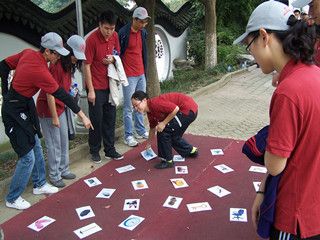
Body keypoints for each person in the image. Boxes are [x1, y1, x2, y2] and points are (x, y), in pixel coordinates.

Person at [234, 1, 320, 239]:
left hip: (294, 217)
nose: (251, 54)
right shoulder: (314, 73)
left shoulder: (288, 92)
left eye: (250, 45)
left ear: (264, 37)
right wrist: (262, 190)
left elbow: (275, 165)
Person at [0, 32, 93, 210]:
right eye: (56, 53)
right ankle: (12, 197)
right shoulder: (41, 70)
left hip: (25, 106)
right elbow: (60, 94)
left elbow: (3, 65)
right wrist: (82, 115)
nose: (59, 57)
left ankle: (39, 183)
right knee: (27, 157)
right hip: (13, 111)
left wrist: (6, 90)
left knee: (35, 144)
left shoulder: (28, 53)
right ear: (48, 51)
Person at [36, 35, 86, 188]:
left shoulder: (68, 66)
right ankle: (54, 175)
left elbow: (64, 90)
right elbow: (50, 93)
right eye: (74, 56)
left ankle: (63, 169)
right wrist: (54, 117)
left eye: (78, 57)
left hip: (60, 107)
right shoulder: (56, 67)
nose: (76, 60)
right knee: (54, 143)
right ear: (67, 52)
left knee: (64, 139)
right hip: (48, 109)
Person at [84, 10, 123, 163]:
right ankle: (94, 150)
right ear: (100, 25)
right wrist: (91, 90)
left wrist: (113, 59)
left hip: (110, 84)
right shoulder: (91, 40)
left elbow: (118, 54)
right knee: (96, 119)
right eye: (106, 28)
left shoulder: (115, 36)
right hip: (96, 86)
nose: (109, 32)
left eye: (112, 28)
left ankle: (110, 149)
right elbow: (86, 65)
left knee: (110, 118)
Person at [131, 91, 198, 169]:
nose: (136, 108)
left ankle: (167, 160)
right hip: (189, 110)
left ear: (144, 100)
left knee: (163, 131)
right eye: (134, 107)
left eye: (136, 105)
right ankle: (191, 151)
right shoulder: (150, 112)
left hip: (187, 110)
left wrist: (163, 123)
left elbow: (175, 109)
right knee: (172, 135)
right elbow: (152, 128)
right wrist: (148, 144)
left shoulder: (154, 103)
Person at [119, 7, 150, 147]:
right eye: (141, 22)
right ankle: (128, 135)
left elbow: (143, 52)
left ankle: (140, 130)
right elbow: (118, 54)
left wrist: (145, 71)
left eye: (145, 22)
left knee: (141, 104)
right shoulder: (123, 33)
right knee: (129, 107)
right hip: (128, 76)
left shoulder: (143, 32)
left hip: (140, 74)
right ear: (134, 19)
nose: (143, 24)